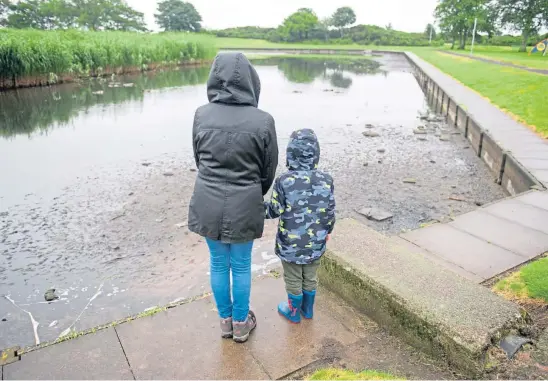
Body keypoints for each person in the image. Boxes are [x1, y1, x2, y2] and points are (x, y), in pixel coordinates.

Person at [188, 52, 278, 343]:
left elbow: (199, 158)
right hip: (245, 200)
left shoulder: (201, 114)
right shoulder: (263, 120)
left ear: (215, 77)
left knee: (217, 262)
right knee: (240, 265)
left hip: (207, 199)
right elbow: (269, 169)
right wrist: (253, 192)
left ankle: (225, 322)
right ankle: (241, 323)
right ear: (252, 80)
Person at [264, 128, 336, 323]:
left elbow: (274, 211)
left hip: (291, 245)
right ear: (316, 154)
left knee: (294, 277)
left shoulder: (284, 181)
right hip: (316, 242)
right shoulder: (326, 180)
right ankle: (308, 309)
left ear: (290, 154)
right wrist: (327, 231)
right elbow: (330, 211)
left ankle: (293, 312)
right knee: (311, 276)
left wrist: (255, 206)